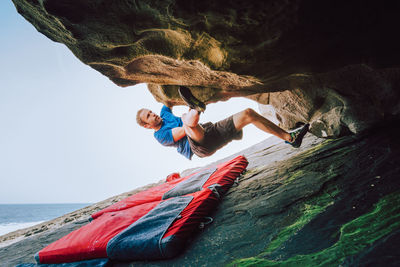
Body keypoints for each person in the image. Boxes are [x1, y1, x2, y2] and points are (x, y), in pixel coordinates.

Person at [136, 86, 309, 160]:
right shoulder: (160, 136)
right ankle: (195, 108)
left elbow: (167, 100)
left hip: (210, 131)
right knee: (188, 125)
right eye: (148, 116)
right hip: (199, 146)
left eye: (151, 111)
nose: (153, 114)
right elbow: (182, 131)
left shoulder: (164, 114)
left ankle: (290, 138)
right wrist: (189, 113)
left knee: (248, 114)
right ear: (146, 125)